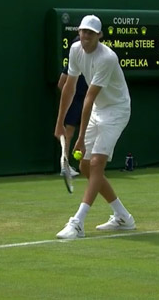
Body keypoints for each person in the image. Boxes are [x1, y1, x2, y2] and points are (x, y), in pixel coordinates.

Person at [54, 15, 135, 239]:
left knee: (97, 163)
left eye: (91, 32)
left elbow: (88, 98)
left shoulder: (107, 58)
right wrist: (60, 123)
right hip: (99, 109)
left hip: (117, 110)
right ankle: (123, 217)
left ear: (99, 35)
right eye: (83, 31)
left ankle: (77, 222)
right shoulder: (75, 49)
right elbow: (69, 88)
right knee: (86, 168)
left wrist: (79, 137)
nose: (86, 36)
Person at [57, 36, 87, 177]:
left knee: (89, 133)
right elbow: (61, 84)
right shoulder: (71, 64)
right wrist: (70, 96)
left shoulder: (93, 62)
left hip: (88, 100)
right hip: (74, 101)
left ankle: (85, 165)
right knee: (69, 133)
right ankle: (65, 166)